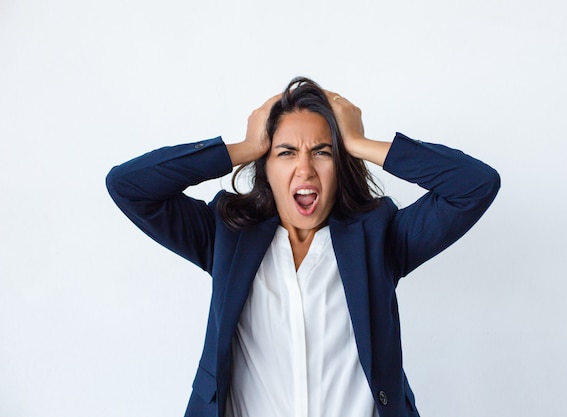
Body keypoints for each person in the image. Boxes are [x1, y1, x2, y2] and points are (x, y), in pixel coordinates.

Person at [106, 77, 500, 417]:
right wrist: (242, 148)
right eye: (286, 152)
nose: (305, 168)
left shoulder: (379, 238)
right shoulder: (225, 234)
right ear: (266, 165)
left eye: (322, 151)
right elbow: (129, 186)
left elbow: (474, 185)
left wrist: (359, 142)